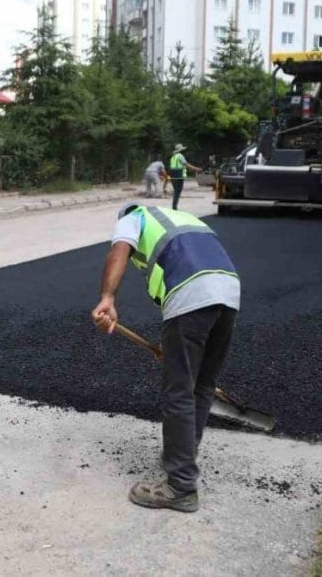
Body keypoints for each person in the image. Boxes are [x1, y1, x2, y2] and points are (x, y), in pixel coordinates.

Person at [92, 202, 240, 513]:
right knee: (201, 386)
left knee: (179, 391)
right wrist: (170, 345)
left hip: (191, 292)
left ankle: (181, 486)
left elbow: (119, 250)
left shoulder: (134, 217)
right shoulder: (183, 219)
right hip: (228, 292)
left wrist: (107, 298)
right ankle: (183, 456)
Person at [168, 144, 202, 210]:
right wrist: (196, 169)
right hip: (178, 175)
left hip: (172, 175)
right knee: (177, 191)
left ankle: (174, 206)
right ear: (181, 150)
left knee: (176, 191)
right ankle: (174, 207)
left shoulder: (173, 157)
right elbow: (186, 164)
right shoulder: (180, 156)